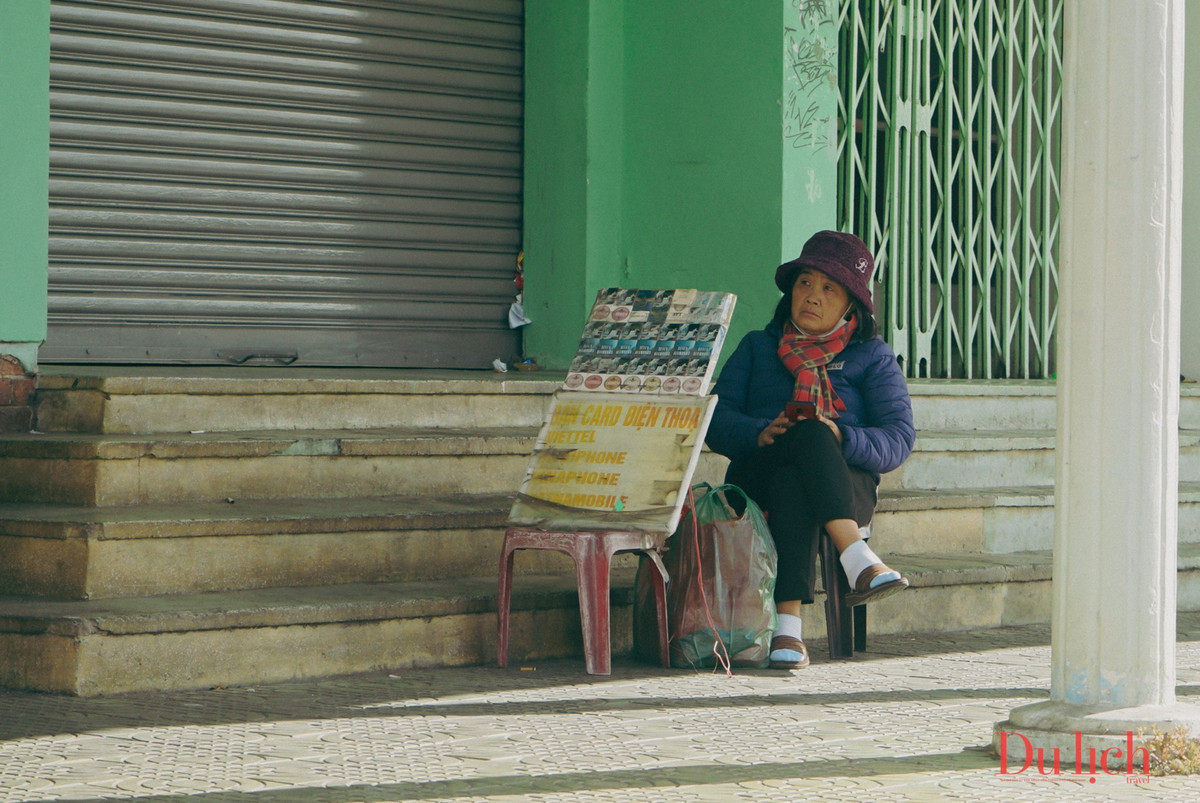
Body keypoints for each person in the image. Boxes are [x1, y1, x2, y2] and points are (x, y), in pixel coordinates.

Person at [706, 230, 916, 670]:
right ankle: (856, 556)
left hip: (841, 479)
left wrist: (843, 436)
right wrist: (761, 431)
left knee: (810, 450)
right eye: (805, 283)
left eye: (828, 288)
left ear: (850, 305)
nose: (812, 297)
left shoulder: (872, 356)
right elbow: (715, 418)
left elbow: (898, 438)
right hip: (757, 474)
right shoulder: (757, 347)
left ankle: (789, 629)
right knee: (800, 442)